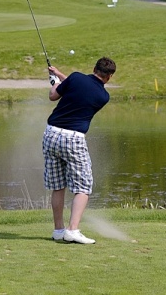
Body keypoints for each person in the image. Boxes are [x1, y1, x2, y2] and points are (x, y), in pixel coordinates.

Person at [43, 57, 116, 244]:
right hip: (73, 138)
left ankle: (58, 230)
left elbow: (54, 95)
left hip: (51, 135)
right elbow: (84, 90)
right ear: (109, 77)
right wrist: (59, 77)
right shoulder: (103, 97)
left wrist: (56, 82)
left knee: (58, 185)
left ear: (94, 68)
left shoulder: (75, 77)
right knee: (83, 186)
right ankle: (73, 230)